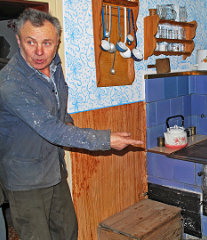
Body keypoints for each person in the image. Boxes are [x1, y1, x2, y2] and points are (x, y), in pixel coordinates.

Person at [0, 8, 143, 240]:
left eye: (47, 43)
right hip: (25, 178)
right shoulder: (10, 83)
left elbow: (58, 113)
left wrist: (70, 127)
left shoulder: (54, 64)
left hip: (53, 169)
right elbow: (51, 128)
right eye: (30, 42)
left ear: (57, 42)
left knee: (67, 232)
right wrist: (105, 140)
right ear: (18, 40)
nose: (39, 51)